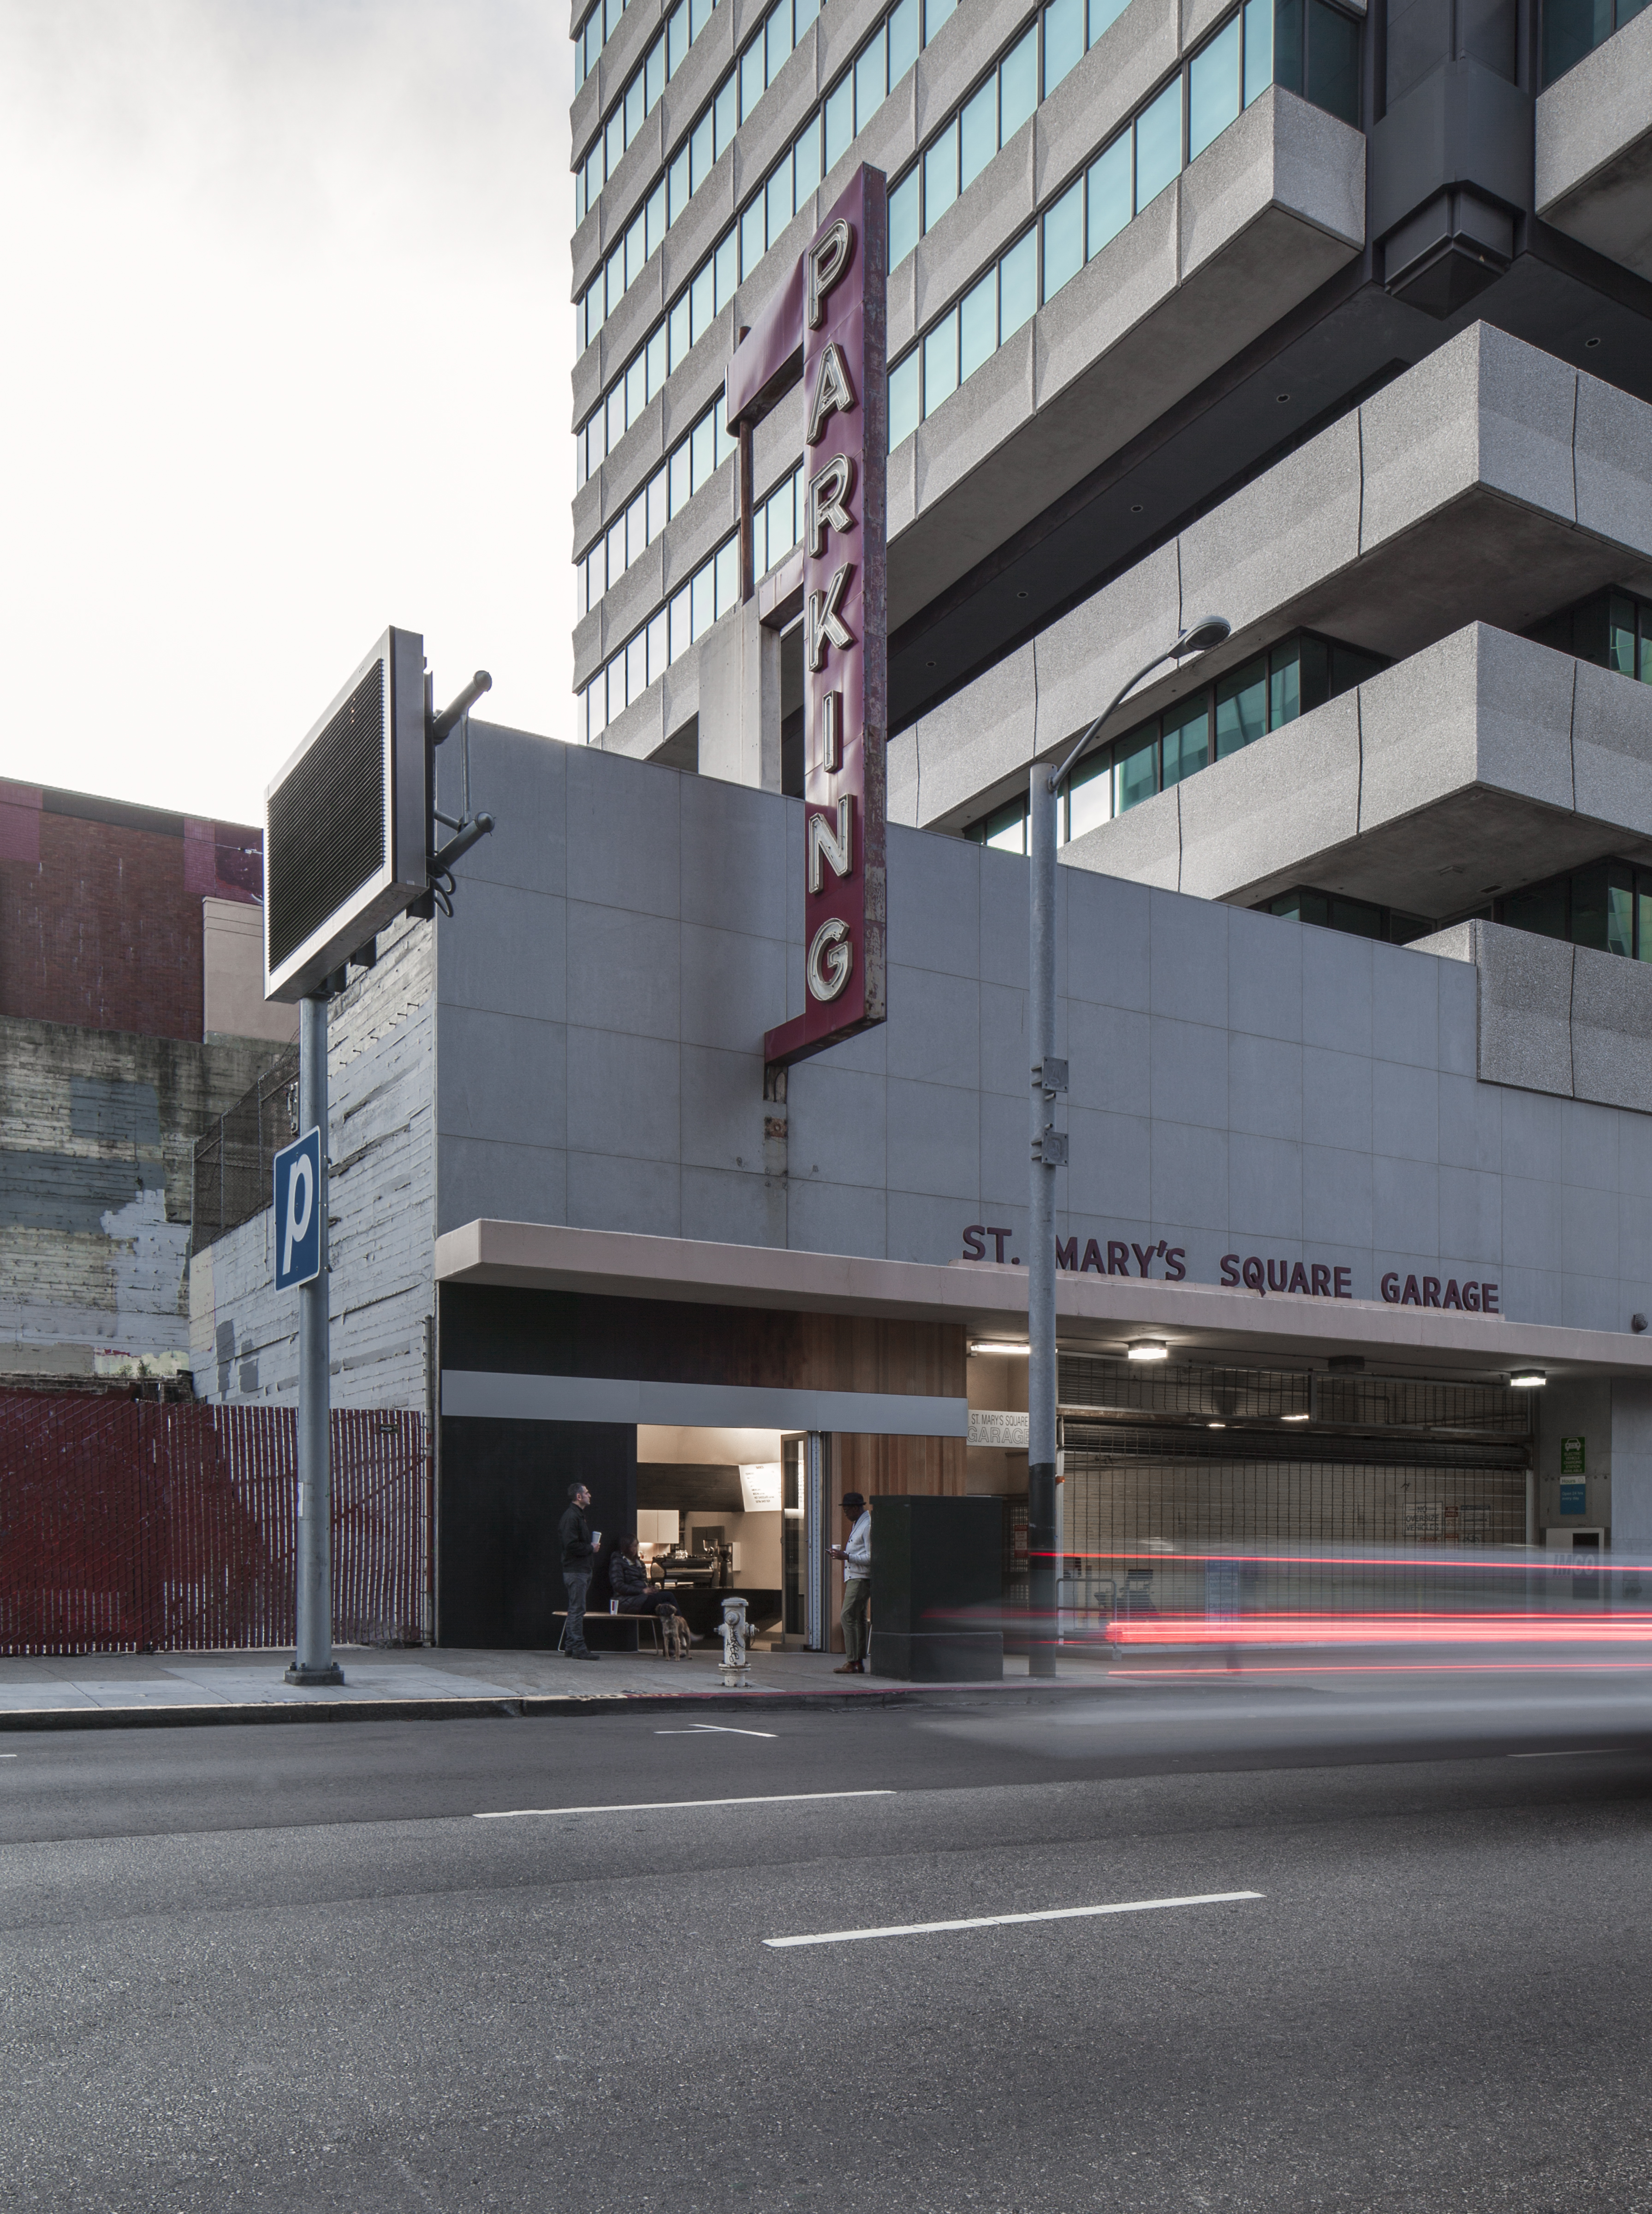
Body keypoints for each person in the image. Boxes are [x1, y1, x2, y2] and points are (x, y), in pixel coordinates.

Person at [829, 1490, 872, 1675]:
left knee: (847, 1616)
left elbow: (872, 1557)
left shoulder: (868, 1526)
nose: (845, 1513)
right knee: (858, 1619)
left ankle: (852, 1661)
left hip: (860, 1577)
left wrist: (847, 1556)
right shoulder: (859, 1523)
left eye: (847, 1510)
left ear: (856, 1508)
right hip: (856, 1576)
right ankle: (858, 1662)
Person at [558, 1482, 600, 1660]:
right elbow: (571, 1545)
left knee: (576, 1609)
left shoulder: (577, 1516)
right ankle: (579, 1648)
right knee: (577, 1610)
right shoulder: (572, 1517)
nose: (590, 1495)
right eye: (587, 1493)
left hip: (579, 1569)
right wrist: (591, 1548)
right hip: (576, 1571)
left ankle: (570, 1647)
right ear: (579, 1496)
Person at [609, 1536, 681, 1624]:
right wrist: (642, 1591)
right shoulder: (618, 1562)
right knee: (669, 1596)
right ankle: (684, 1629)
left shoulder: (638, 1563)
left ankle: (675, 1633)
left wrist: (650, 1588)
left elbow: (643, 1582)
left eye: (637, 1546)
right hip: (627, 1601)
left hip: (640, 1600)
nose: (635, 1549)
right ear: (626, 1547)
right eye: (633, 1546)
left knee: (667, 1605)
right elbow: (618, 1586)